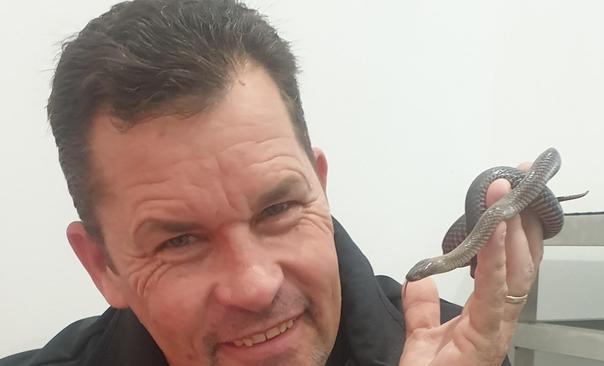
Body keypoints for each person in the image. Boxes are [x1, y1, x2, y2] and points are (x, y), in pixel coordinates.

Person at [0, 1, 544, 365]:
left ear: (320, 187)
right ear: (103, 267)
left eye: (278, 208)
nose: (255, 286)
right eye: (179, 240)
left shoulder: (463, 351)